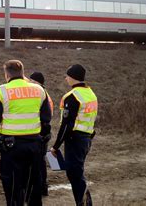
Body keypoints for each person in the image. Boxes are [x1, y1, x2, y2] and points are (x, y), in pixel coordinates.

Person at [0, 60, 52, 206]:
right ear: (23, 73)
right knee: (33, 188)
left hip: (12, 148)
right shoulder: (39, 90)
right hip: (34, 146)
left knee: (14, 188)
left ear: (6, 74)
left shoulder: (1, 91)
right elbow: (46, 118)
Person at [50, 64, 97, 206]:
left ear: (72, 77)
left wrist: (56, 146)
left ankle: (84, 204)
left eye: (67, 76)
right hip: (86, 138)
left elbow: (67, 125)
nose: (65, 79)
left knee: (75, 175)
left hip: (75, 140)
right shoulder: (90, 93)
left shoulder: (72, 97)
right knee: (77, 173)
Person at [29, 71, 53, 197]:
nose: (30, 83)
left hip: (41, 132)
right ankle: (42, 186)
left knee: (39, 162)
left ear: (38, 82)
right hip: (42, 131)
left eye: (32, 81)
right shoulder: (42, 93)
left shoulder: (42, 94)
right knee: (40, 161)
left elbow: (46, 115)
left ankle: (42, 187)